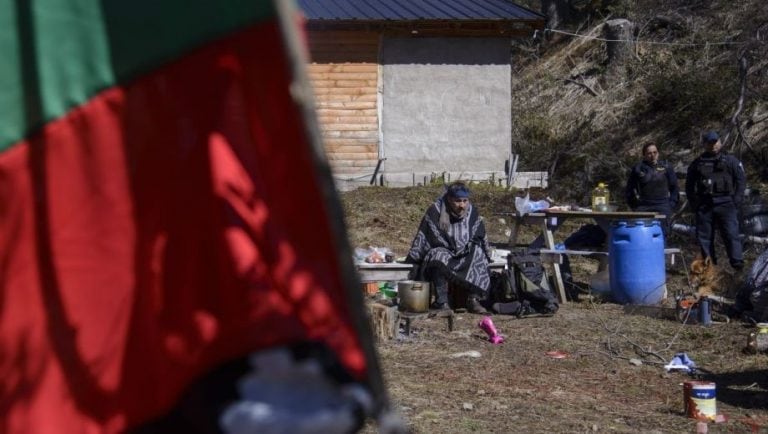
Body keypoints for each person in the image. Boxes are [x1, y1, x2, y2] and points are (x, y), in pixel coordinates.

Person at [405, 181, 491, 313]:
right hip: (444, 250)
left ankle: (473, 299)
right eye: (457, 201)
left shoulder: (472, 211)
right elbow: (425, 235)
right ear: (449, 199)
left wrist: (487, 253)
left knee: (478, 253)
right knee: (438, 257)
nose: (462, 205)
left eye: (465, 201)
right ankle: (442, 301)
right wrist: (414, 259)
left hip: (465, 251)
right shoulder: (436, 210)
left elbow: (480, 234)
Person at [685, 131, 746, 270]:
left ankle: (737, 266)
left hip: (726, 203)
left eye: (715, 142)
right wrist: (694, 203)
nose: (713, 145)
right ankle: (710, 267)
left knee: (731, 234)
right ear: (704, 144)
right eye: (710, 143)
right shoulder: (697, 163)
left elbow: (741, 181)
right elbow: (689, 186)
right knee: (705, 239)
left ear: (720, 141)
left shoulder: (730, 161)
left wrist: (736, 199)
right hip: (705, 205)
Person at [625, 142, 680, 232]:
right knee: (641, 232)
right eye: (649, 153)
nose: (652, 155)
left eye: (655, 152)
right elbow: (629, 190)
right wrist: (634, 206)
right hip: (644, 206)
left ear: (658, 153)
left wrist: (671, 205)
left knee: (662, 233)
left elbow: (674, 187)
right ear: (644, 155)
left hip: (663, 205)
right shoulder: (638, 169)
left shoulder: (666, 167)